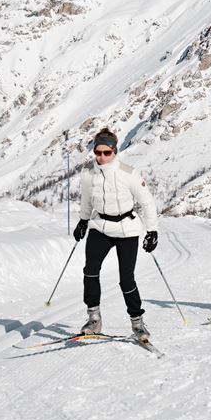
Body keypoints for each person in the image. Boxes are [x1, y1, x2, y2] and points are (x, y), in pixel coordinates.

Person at [73, 127, 159, 342]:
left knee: (126, 279)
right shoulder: (88, 174)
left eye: (106, 153)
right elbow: (86, 201)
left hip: (127, 229)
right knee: (90, 271)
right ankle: (94, 319)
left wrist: (152, 230)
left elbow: (147, 202)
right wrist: (83, 221)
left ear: (114, 151)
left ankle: (138, 323)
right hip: (100, 226)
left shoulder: (128, 173)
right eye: (97, 152)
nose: (101, 157)